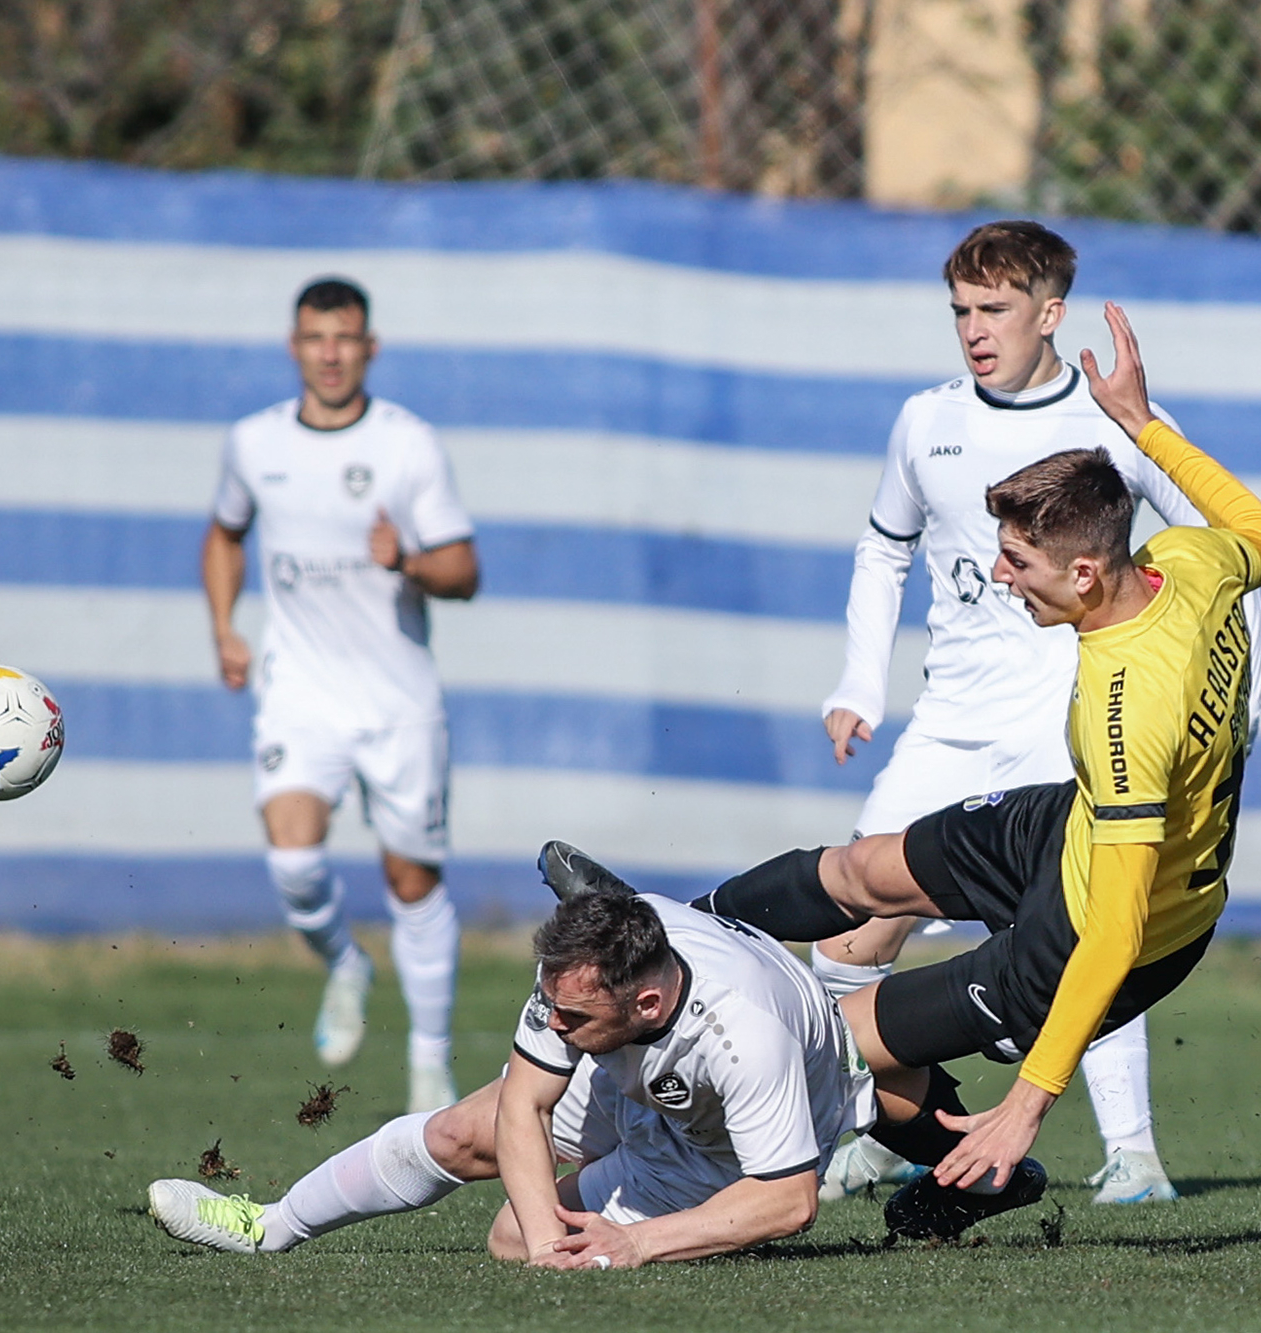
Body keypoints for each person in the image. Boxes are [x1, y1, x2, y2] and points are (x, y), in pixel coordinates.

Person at [558, 302, 1261, 1211]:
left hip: (1100, 934)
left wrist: (1027, 1101)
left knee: (833, 1036)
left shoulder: (1128, 705)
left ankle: (991, 1176)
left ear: (1087, 574)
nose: (1000, 576)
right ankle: (654, 925)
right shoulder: (1186, 559)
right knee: (860, 868)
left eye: (1018, 561)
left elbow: (1115, 928)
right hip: (1066, 831)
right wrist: (1141, 426)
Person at [811, 220, 1261, 1206]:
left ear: (1048, 313)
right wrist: (857, 681)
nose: (974, 330)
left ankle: (1131, 1150)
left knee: (1098, 913)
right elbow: (882, 548)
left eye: (995, 308)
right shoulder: (922, 421)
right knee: (847, 932)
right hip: (949, 720)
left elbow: (1221, 559)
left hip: (1063, 719)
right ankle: (889, 1126)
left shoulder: (1115, 423)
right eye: (960, 311)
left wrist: (1219, 707)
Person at [146, 887, 883, 1266]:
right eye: (551, 1005)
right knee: (464, 1134)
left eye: (573, 1018)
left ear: (647, 1000)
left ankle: (641, 1204)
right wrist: (543, 1244)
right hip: (635, 1073)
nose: (553, 1025)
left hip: (726, 1149)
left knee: (509, 1236)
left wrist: (642, 1242)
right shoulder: (585, 973)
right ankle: (270, 1225)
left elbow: (789, 1198)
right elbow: (525, 1104)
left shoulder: (746, 1035)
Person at [204, 277, 479, 1113]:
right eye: (316, 338)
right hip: (301, 690)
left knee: (411, 883)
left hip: (397, 700)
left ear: (369, 347)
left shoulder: (408, 446)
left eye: (345, 338)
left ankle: (429, 1063)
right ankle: (344, 962)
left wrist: (410, 560)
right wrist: (224, 627)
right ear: (294, 346)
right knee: (292, 855)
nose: (330, 353)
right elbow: (224, 533)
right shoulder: (253, 443)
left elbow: (463, 570)